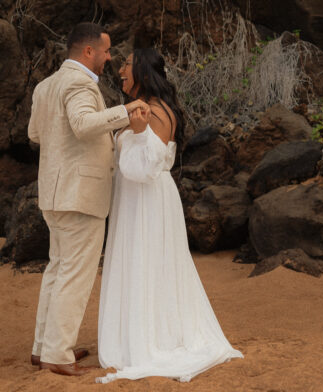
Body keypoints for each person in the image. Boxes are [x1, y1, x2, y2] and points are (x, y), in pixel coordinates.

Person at [97, 46, 243, 384]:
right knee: (143, 262)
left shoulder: (155, 111)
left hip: (146, 199)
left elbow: (146, 166)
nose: (121, 70)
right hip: (136, 198)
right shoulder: (146, 108)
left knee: (147, 262)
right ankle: (142, 330)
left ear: (144, 71)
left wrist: (135, 131)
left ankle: (152, 338)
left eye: (128, 64)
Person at [28, 22, 149, 377]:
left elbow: (35, 133)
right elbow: (82, 125)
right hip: (80, 193)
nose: (110, 58)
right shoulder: (80, 82)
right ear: (88, 51)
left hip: (53, 191)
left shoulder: (46, 85)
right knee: (74, 275)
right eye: (107, 51)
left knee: (56, 269)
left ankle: (43, 347)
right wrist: (125, 111)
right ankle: (57, 353)